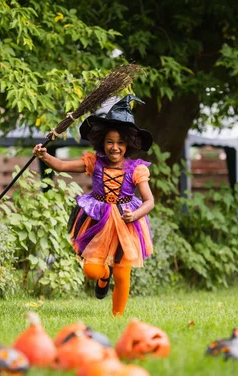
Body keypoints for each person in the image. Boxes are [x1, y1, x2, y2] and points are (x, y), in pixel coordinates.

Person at [32, 94, 154, 317]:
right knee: (91, 270)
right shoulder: (94, 162)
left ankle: (117, 317)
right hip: (99, 221)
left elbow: (149, 201)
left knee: (122, 273)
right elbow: (60, 165)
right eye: (109, 142)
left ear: (129, 144)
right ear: (101, 142)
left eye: (120, 142)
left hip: (126, 225)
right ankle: (102, 275)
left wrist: (134, 215)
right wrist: (44, 155)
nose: (114, 147)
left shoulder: (136, 169)